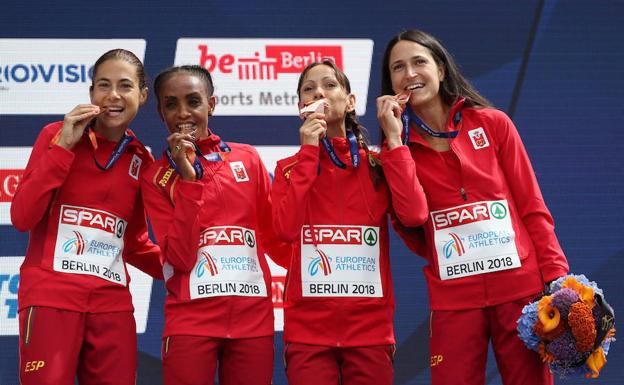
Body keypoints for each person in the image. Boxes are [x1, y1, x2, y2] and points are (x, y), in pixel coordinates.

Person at [377, 29, 570, 385]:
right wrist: (393, 140)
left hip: (520, 293)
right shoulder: (395, 153)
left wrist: (559, 279)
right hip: (455, 298)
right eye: (398, 68)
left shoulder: (493, 124)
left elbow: (532, 208)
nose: (410, 74)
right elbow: (413, 216)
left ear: (441, 69)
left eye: (419, 62)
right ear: (390, 83)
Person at [271, 60, 428, 385]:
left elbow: (414, 214)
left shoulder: (375, 164)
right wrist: (309, 154)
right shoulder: (288, 168)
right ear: (301, 106)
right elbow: (285, 230)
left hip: (370, 331)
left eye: (329, 85)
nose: (319, 93)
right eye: (309, 89)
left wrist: (395, 141)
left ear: (351, 101)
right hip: (307, 333)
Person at [10, 49, 162, 385]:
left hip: (112, 306)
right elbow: (22, 217)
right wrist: (63, 147)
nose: (113, 95)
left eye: (125, 86)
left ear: (142, 94)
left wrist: (188, 267)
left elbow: (135, 244)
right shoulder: (56, 135)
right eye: (103, 85)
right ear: (91, 93)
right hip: (52, 298)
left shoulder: (141, 160)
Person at [141, 64, 288, 385]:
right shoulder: (155, 176)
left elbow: (276, 238)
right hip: (190, 322)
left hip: (253, 322)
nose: (183, 113)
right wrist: (189, 181)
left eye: (193, 101)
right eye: (171, 104)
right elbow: (179, 257)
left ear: (211, 104)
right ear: (160, 112)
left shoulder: (247, 159)